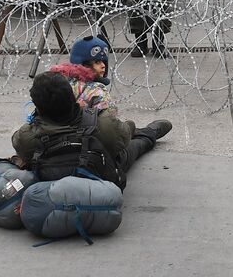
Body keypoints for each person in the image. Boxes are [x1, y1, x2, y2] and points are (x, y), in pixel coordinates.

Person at [12, 71, 172, 190]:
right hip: (99, 170)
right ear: (72, 96)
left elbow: (19, 144)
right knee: (131, 147)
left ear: (38, 106)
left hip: (53, 176)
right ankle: (149, 133)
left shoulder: (28, 135)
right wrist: (129, 126)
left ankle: (145, 132)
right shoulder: (102, 123)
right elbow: (123, 138)